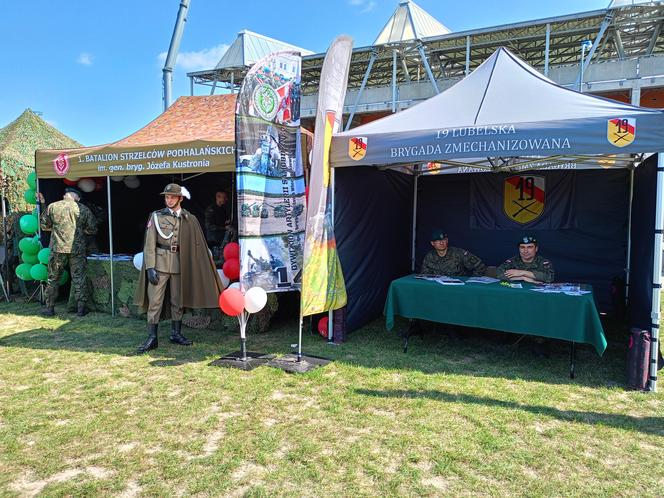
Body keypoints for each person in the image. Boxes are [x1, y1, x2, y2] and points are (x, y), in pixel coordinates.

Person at [134, 183, 223, 354]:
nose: (169, 200)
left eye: (172, 197)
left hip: (179, 264)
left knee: (177, 301)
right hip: (159, 264)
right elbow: (149, 243)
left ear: (180, 198)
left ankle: (176, 333)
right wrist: (150, 267)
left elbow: (196, 244)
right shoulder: (156, 217)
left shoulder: (189, 218)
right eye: (167, 197)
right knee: (155, 301)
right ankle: (152, 337)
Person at [38, 188, 98, 316]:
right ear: (77, 198)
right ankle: (81, 308)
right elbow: (92, 229)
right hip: (77, 249)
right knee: (79, 277)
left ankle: (50, 308)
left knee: (53, 278)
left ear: (65, 196)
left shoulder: (53, 206)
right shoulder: (83, 209)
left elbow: (43, 225)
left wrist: (56, 230)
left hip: (57, 248)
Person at [420, 229, 486, 277]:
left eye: (444, 240)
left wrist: (471, 282)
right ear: (432, 243)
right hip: (438, 289)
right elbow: (424, 275)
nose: (441, 243)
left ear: (447, 241)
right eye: (438, 241)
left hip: (458, 289)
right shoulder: (429, 256)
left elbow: (480, 266)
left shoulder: (459, 253)